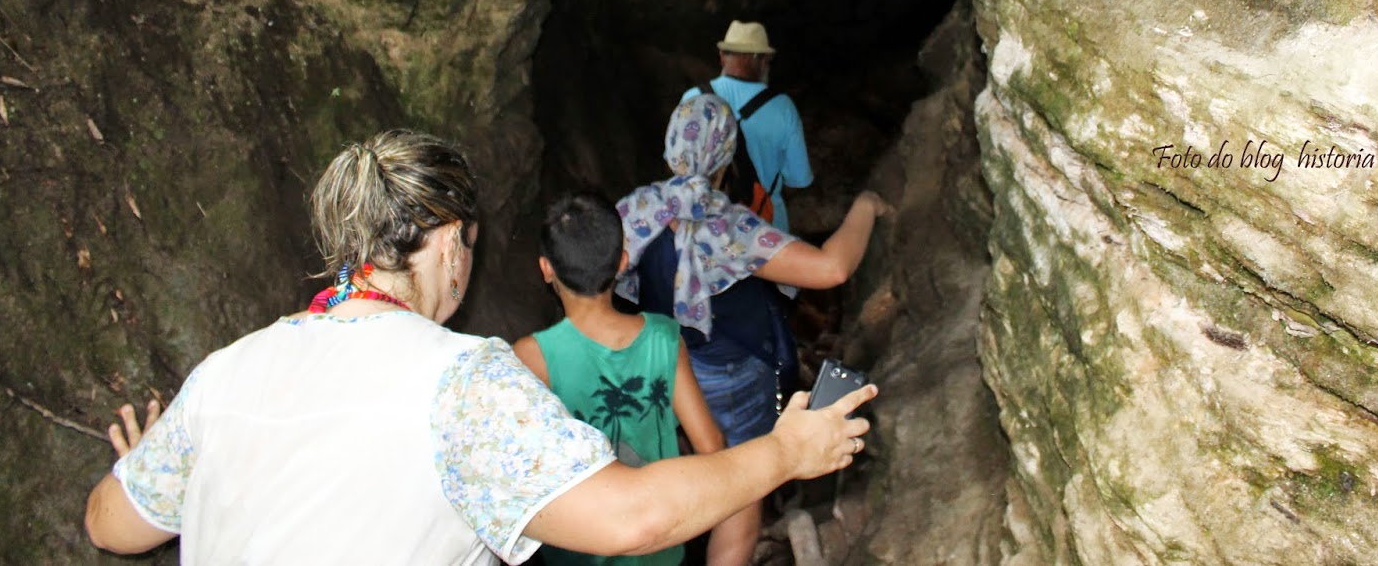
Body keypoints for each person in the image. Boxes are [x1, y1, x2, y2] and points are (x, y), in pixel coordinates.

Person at [83, 130, 875, 564]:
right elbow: (630, 519)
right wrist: (785, 453)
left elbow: (111, 526)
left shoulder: (227, 372)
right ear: (454, 244)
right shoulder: (458, 380)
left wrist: (160, 451)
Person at [617, 96, 891, 566]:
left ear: (669, 150)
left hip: (659, 363)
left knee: (679, 457)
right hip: (729, 377)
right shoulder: (726, 225)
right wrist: (866, 205)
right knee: (741, 492)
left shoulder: (634, 210)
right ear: (726, 156)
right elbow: (832, 269)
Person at [513, 194, 754, 566]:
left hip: (580, 552)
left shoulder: (530, 357)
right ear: (622, 263)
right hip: (660, 544)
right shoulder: (663, 337)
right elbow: (711, 444)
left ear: (546, 268)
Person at [682, 20, 812, 233]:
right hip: (766, 229)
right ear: (764, 61)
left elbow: (678, 165)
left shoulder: (693, 99)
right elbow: (798, 178)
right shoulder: (783, 108)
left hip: (707, 228)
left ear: (722, 56)